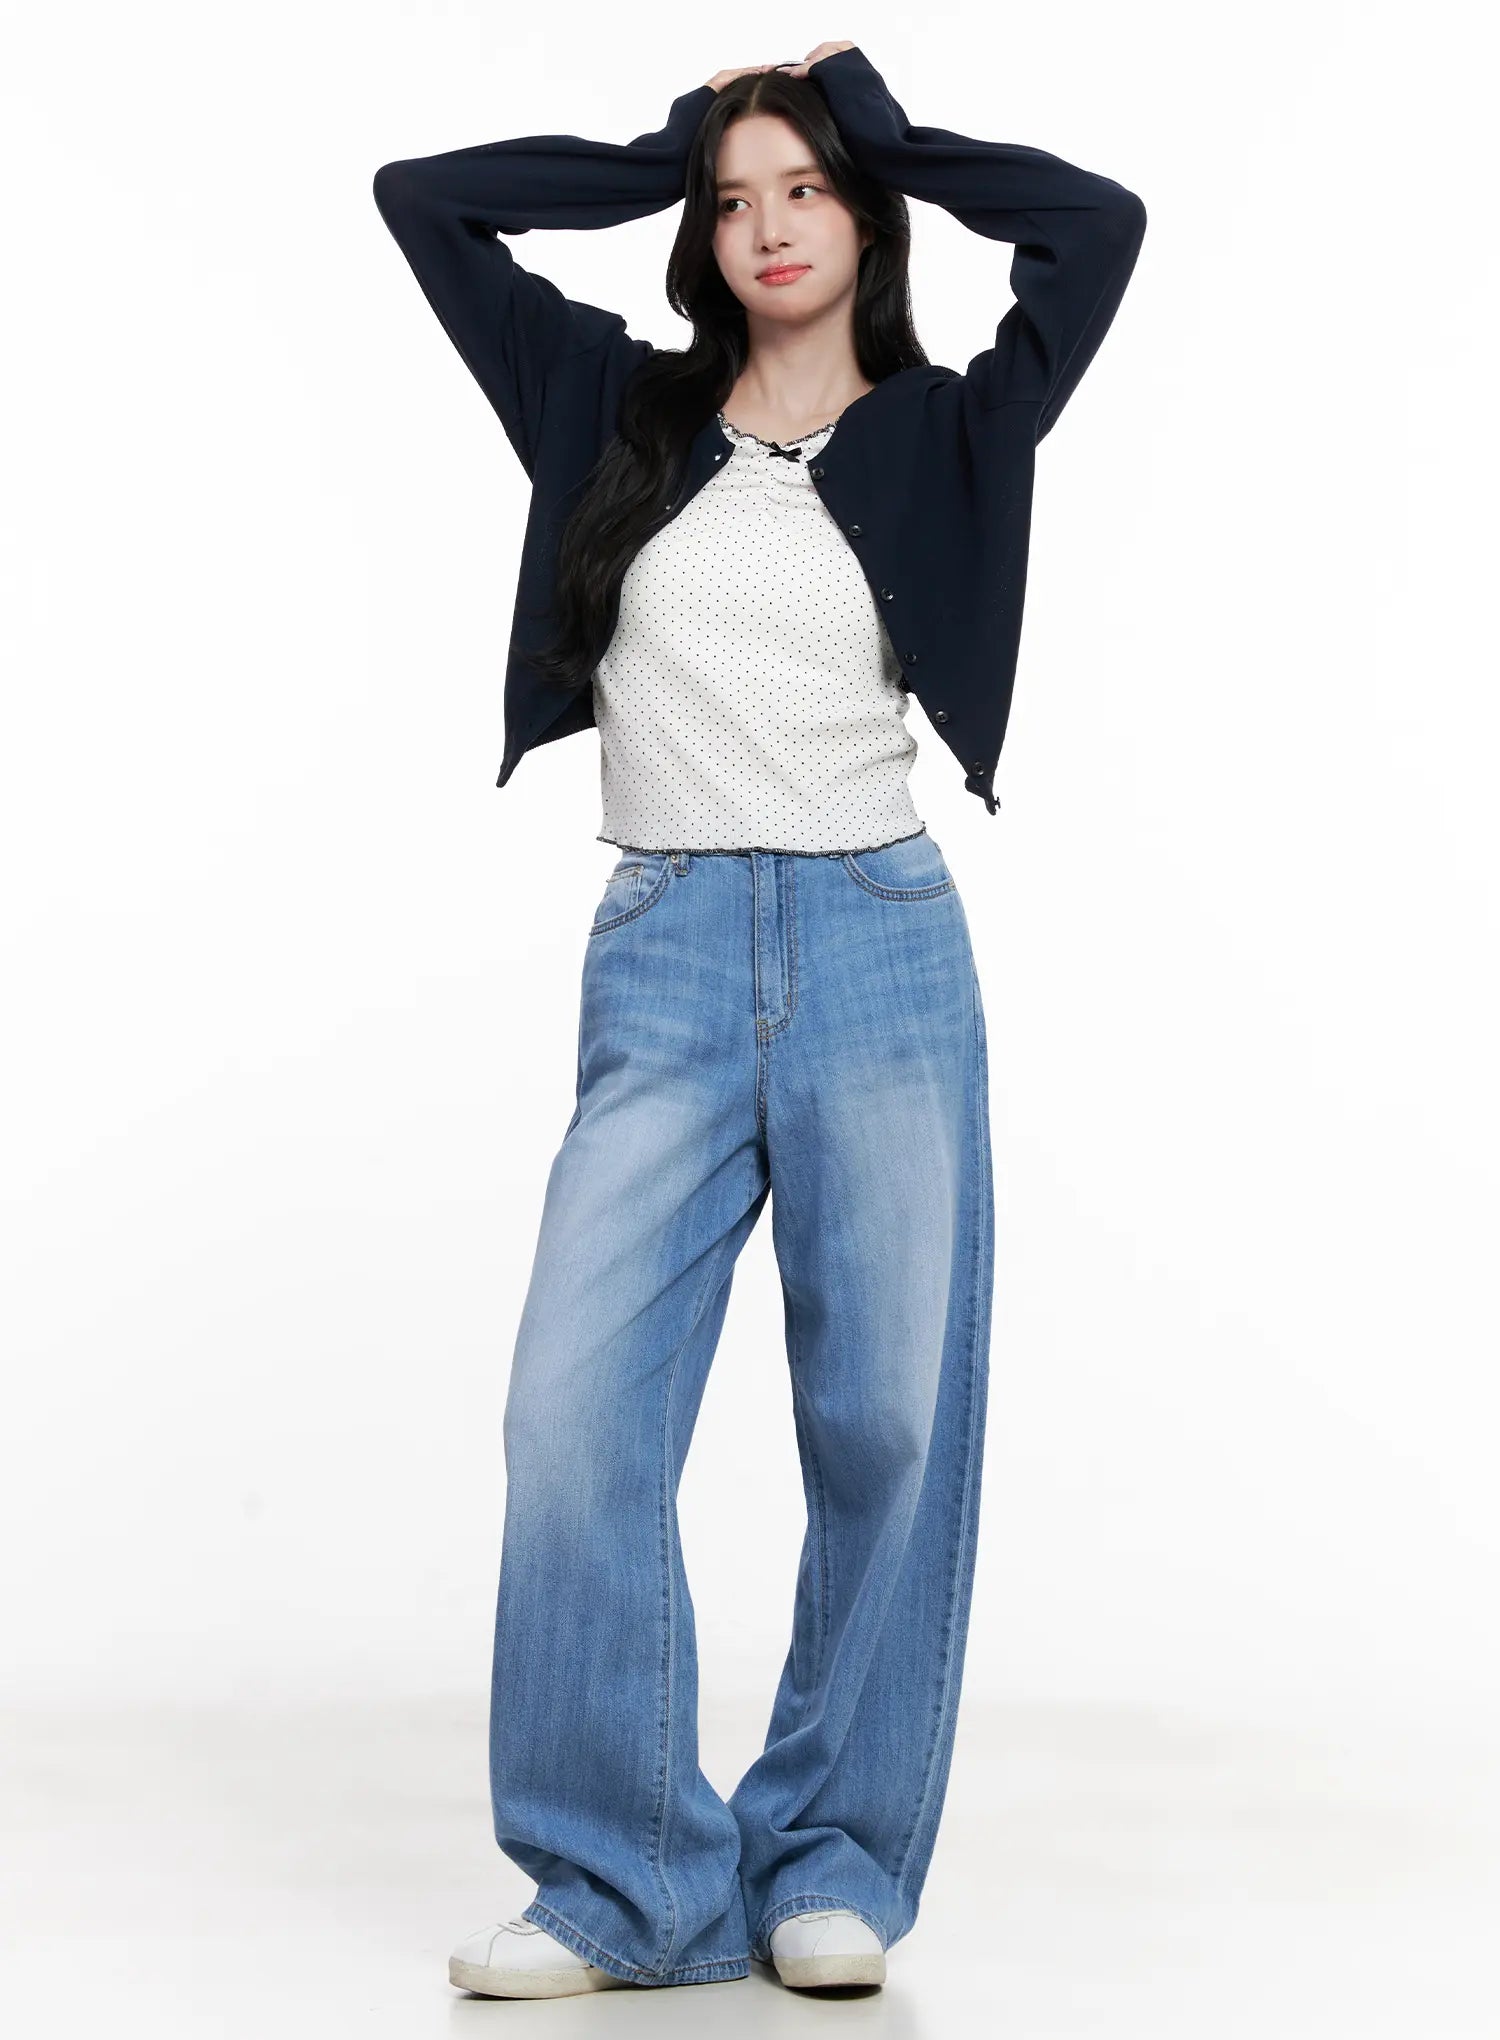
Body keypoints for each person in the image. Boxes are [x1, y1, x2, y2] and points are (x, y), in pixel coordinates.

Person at [372, 39, 1145, 1999]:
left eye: (804, 190)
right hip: (667, 949)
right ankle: (622, 1883)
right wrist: (669, 148)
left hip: (882, 944)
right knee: (571, 1417)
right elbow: (425, 202)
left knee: (887, 1421)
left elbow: (1097, 226)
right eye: (736, 202)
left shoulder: (954, 426)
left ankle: (834, 1859)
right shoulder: (611, 406)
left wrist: (875, 124)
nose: (768, 226)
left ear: (865, 214)